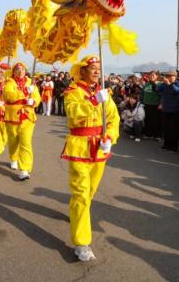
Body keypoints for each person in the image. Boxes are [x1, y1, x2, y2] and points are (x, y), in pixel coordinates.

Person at [62, 55, 119, 262]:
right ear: (82, 71)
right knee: (81, 194)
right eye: (93, 68)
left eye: (99, 68)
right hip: (79, 148)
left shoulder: (104, 92)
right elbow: (72, 113)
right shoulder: (73, 92)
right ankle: (82, 242)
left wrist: (110, 137)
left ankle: (76, 214)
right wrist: (94, 101)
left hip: (99, 149)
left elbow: (113, 118)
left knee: (90, 192)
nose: (97, 71)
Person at [4, 61, 40, 180]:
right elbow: (9, 95)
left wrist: (33, 101)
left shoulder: (31, 83)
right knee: (13, 142)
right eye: (18, 69)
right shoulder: (9, 82)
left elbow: (37, 97)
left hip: (27, 117)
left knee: (26, 143)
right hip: (12, 117)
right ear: (13, 72)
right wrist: (24, 92)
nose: (20, 72)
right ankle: (14, 158)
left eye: (23, 69)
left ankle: (24, 169)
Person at [156, 70, 179, 151]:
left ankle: (173, 146)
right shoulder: (164, 84)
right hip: (165, 109)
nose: (169, 78)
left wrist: (170, 84)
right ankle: (166, 144)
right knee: (166, 128)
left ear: (175, 77)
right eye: (168, 76)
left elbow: (178, 91)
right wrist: (161, 81)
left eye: (171, 76)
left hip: (175, 110)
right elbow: (157, 89)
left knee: (174, 129)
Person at [141, 71, 161, 139]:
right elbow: (143, 93)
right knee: (148, 120)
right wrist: (142, 102)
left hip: (155, 105)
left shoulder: (159, 84)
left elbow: (161, 95)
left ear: (157, 76)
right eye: (150, 75)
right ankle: (148, 134)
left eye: (153, 75)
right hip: (147, 104)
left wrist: (161, 103)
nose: (151, 76)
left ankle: (157, 135)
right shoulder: (147, 84)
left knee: (156, 121)